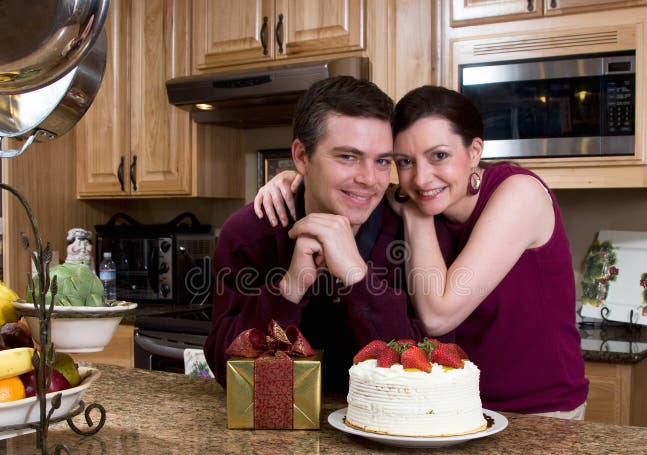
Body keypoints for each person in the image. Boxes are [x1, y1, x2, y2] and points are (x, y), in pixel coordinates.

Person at [255, 85, 588, 418]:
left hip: (541, 413)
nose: (422, 178)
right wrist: (294, 178)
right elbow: (347, 181)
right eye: (405, 162)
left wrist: (416, 211)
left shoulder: (519, 193)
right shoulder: (432, 199)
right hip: (460, 411)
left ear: (474, 151)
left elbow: (437, 315)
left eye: (439, 155)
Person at [204, 77, 452, 392]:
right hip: (278, 436)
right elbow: (233, 378)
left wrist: (358, 278)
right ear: (301, 157)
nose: (368, 179)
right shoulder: (249, 233)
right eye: (348, 156)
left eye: (382, 161)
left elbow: (432, 378)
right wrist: (289, 290)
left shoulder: (420, 233)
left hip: (387, 434)